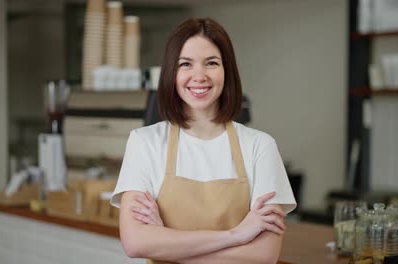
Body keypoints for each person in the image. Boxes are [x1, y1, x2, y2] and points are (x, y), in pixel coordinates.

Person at [111, 17, 296, 264]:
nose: (199, 76)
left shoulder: (260, 146)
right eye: (185, 64)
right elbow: (135, 243)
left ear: (226, 71)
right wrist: (237, 235)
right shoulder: (145, 143)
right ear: (171, 73)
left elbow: (263, 255)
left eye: (211, 63)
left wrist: (167, 242)